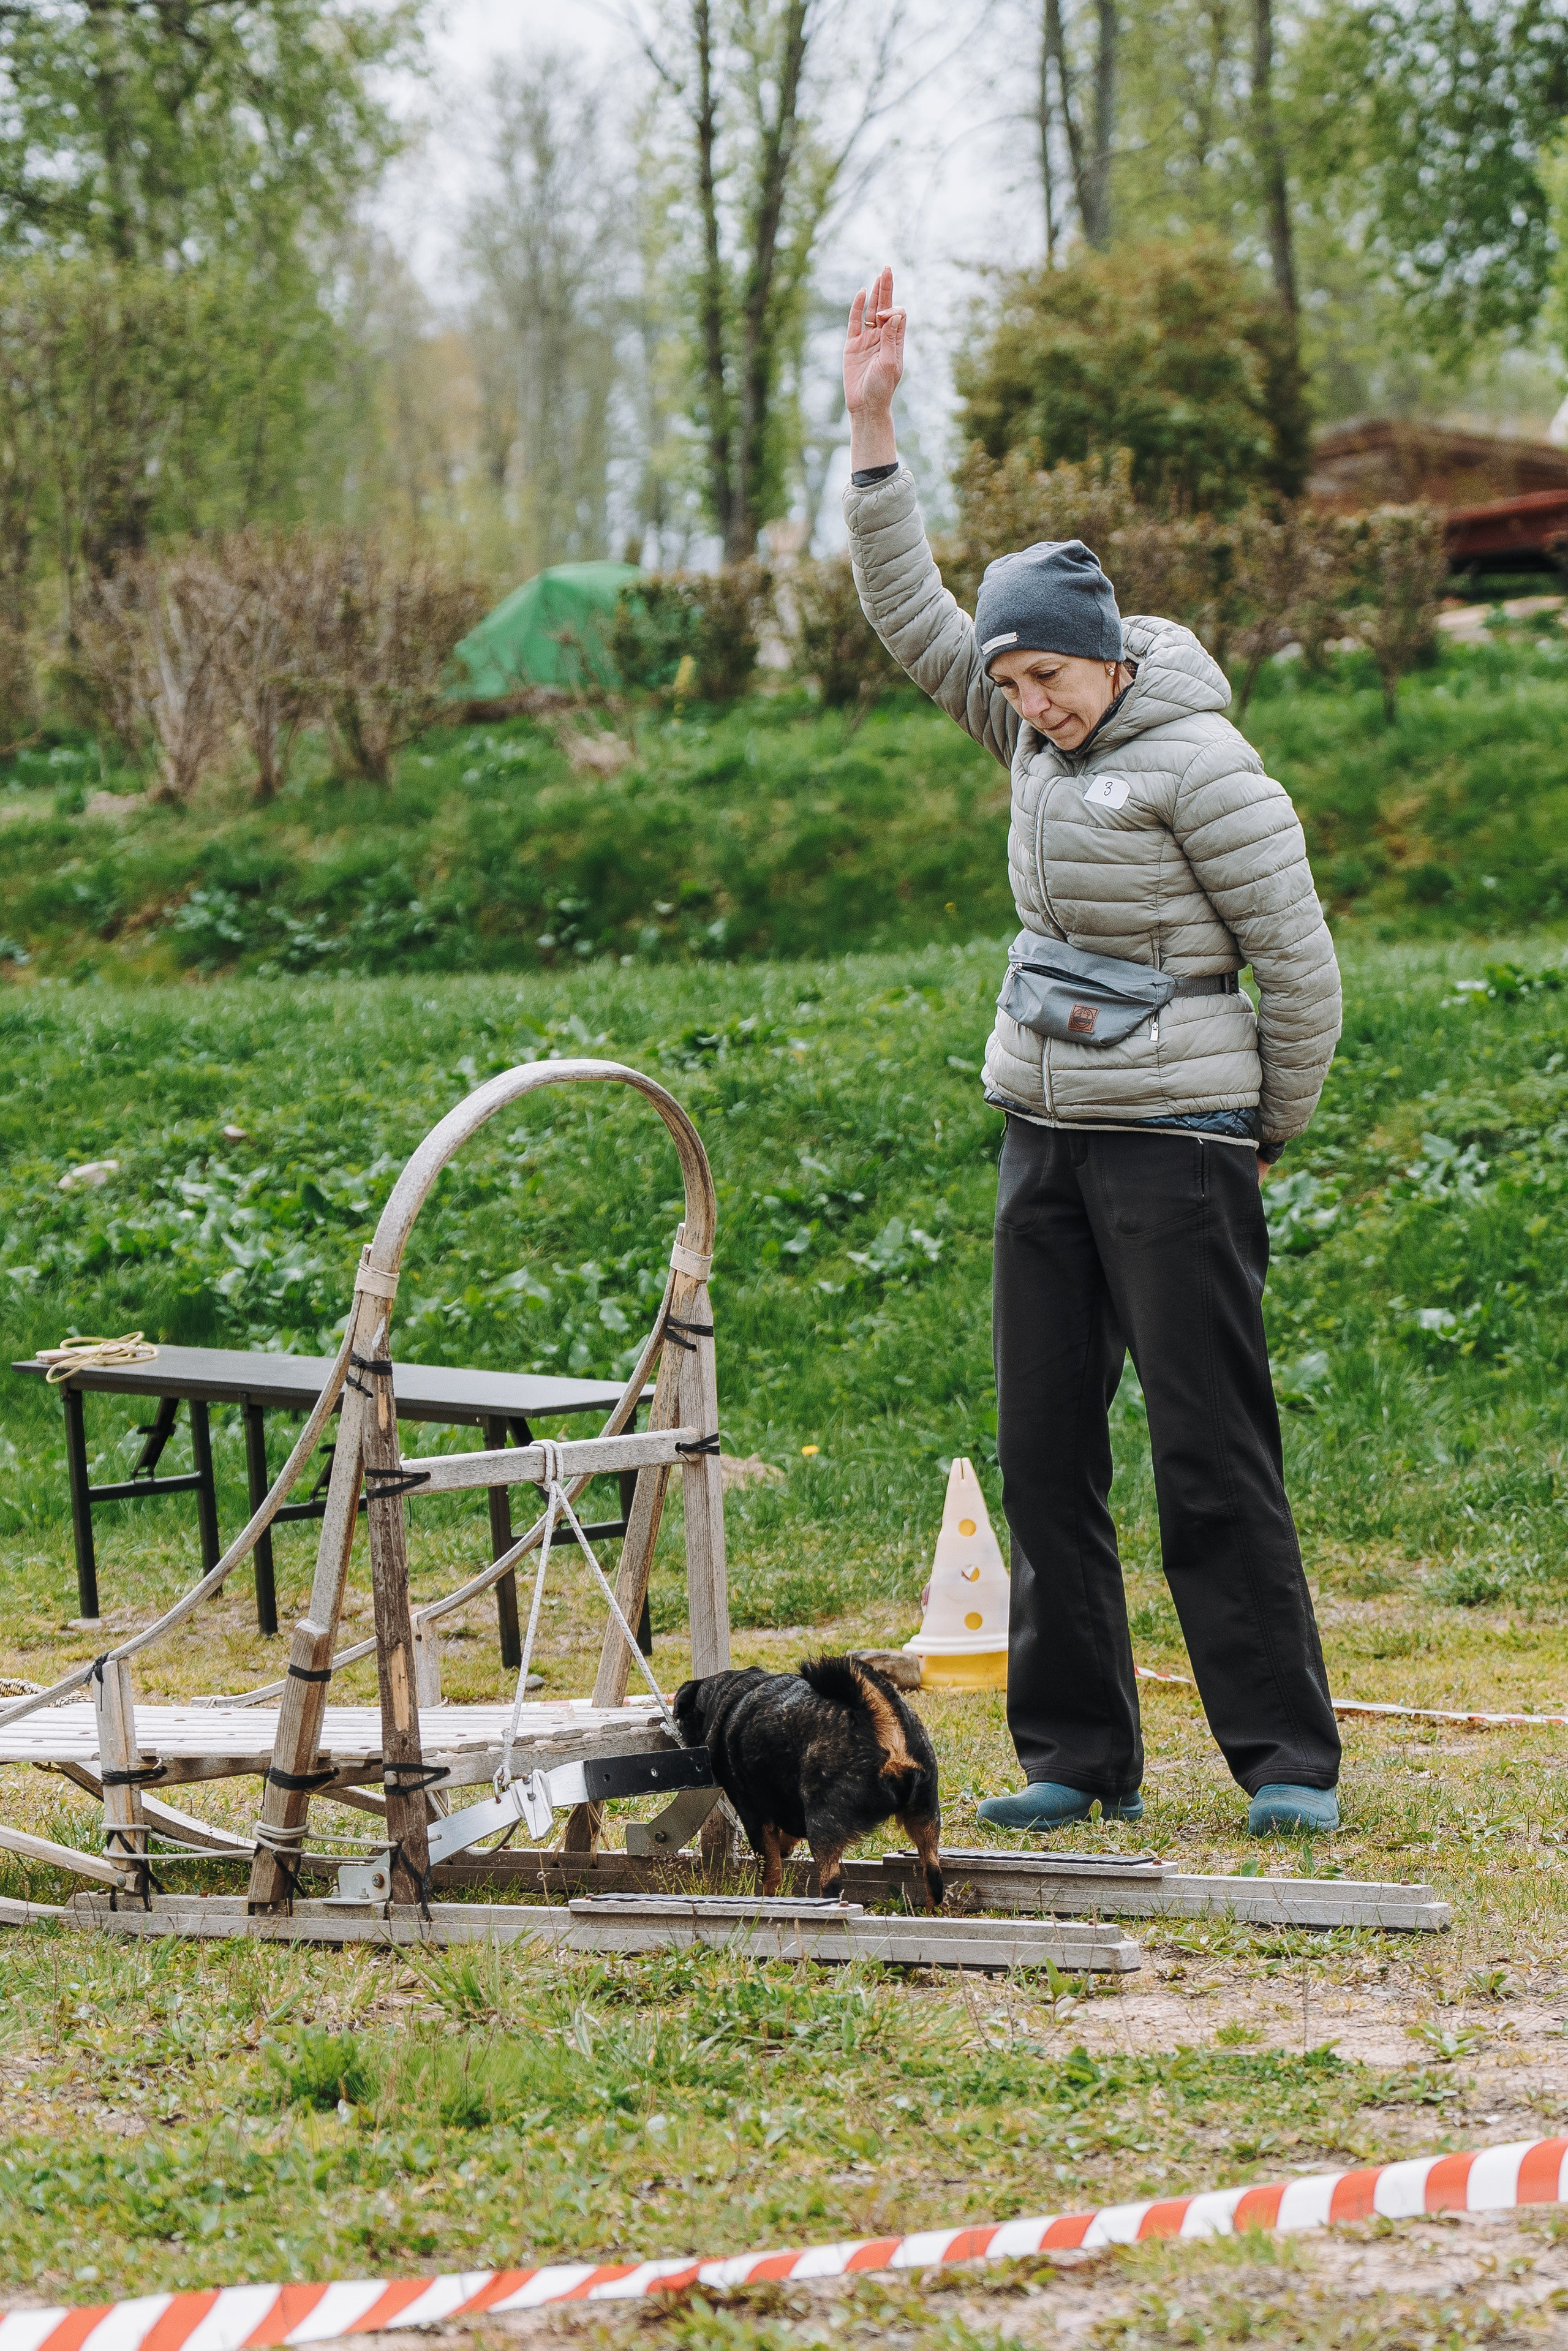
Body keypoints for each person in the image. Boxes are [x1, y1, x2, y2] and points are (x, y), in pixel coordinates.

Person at [842, 266, 1343, 1836]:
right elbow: (906, 610)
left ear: (1106, 656)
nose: (1028, 705)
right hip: (1038, 1126)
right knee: (1043, 1448)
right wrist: (871, 434)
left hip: (1179, 1136)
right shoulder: (1018, 727)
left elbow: (1299, 959)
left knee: (1207, 1452)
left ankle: (1284, 1761)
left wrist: (1269, 1121)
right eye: (1009, 684)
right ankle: (1076, 1752)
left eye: (1046, 675)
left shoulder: (1200, 759)